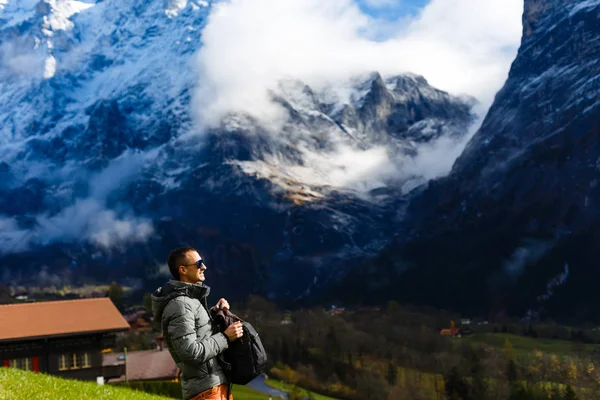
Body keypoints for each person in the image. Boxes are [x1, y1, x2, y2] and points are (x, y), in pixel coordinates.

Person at [152, 247, 243, 400]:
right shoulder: (180, 305)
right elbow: (190, 352)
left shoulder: (189, 301)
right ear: (183, 270)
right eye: (199, 263)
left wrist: (214, 313)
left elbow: (199, 333)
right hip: (206, 391)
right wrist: (225, 338)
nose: (204, 267)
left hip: (214, 387)